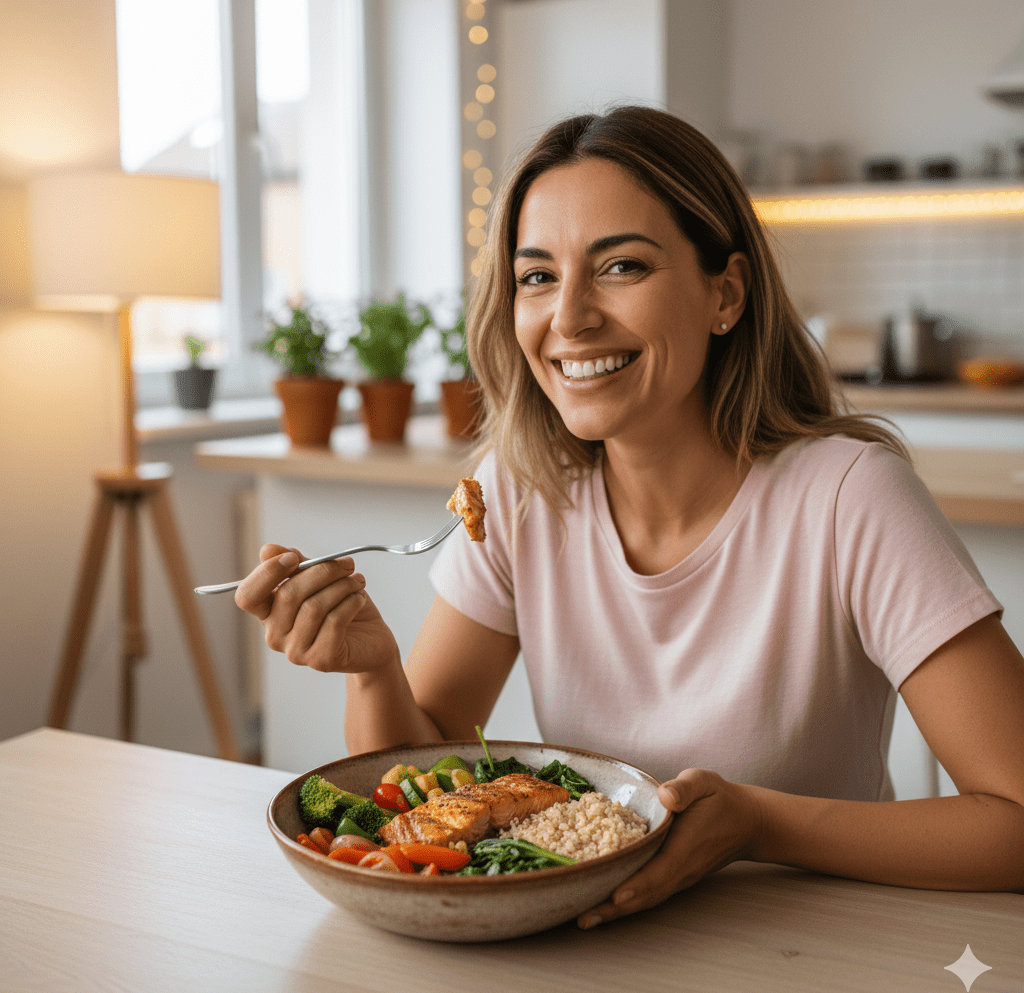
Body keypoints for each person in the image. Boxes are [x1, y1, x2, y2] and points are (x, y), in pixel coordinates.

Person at [236, 106, 1024, 925]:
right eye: (537, 276)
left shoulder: (849, 496)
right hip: (580, 957)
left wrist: (759, 822)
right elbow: (414, 791)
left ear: (726, 293)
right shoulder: (518, 490)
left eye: (621, 268)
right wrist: (373, 669)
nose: (569, 317)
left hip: (808, 957)